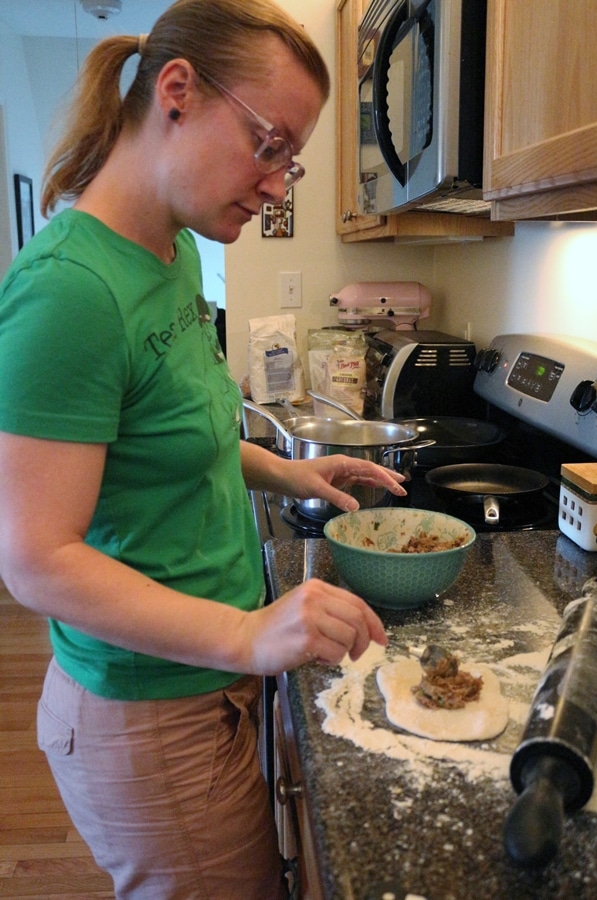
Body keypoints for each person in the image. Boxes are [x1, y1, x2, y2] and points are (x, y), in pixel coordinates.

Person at [0, 1, 406, 898]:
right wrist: (250, 633)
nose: (276, 185)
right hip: (146, 717)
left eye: (288, 160)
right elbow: (35, 561)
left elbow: (185, 434)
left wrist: (283, 468)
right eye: (270, 146)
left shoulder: (173, 251)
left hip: (209, 685)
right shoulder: (68, 293)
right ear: (177, 92)